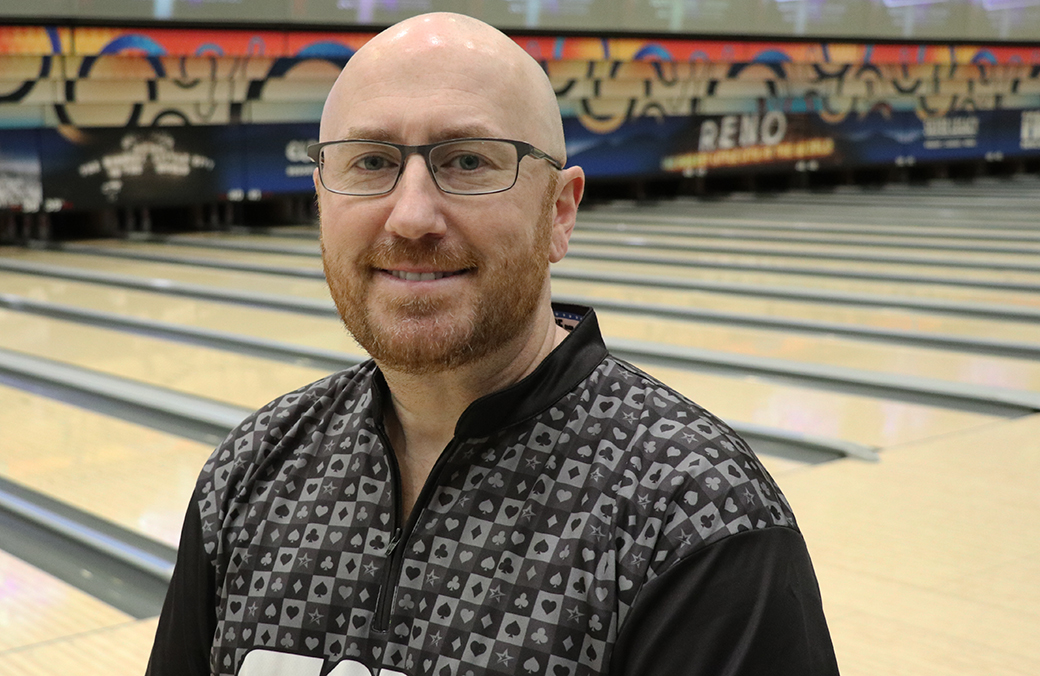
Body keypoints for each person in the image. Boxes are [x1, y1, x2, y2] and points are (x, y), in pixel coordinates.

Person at [147, 12, 839, 676]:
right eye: (370, 162)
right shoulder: (251, 471)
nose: (411, 216)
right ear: (322, 201)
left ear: (560, 211)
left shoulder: (696, 517)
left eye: (469, 161)